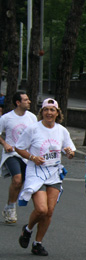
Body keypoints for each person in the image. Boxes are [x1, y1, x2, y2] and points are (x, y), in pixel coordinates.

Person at [14, 98, 75, 256]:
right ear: (42, 112)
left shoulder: (62, 130)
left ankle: (37, 243)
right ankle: (27, 230)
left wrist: (69, 152)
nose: (49, 112)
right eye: (46, 110)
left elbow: (70, 151)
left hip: (54, 173)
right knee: (41, 209)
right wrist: (33, 158)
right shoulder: (33, 129)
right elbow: (19, 148)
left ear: (57, 113)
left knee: (49, 212)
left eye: (52, 110)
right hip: (36, 173)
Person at [0, 91, 37, 224]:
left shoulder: (32, 117)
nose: (29, 101)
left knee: (23, 183)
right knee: (17, 179)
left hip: (27, 155)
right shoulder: (6, 118)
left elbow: (37, 135)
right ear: (18, 102)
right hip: (12, 154)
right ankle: (11, 207)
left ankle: (10, 204)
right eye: (26, 100)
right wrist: (5, 144)